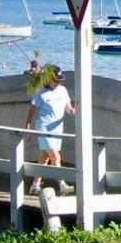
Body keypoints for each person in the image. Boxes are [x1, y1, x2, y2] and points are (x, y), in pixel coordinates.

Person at [24, 65, 76, 195]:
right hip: (44, 128)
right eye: (55, 80)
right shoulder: (41, 93)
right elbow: (32, 111)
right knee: (55, 157)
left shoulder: (63, 90)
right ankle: (62, 185)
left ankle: (35, 185)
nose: (58, 83)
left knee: (44, 158)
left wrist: (73, 110)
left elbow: (69, 108)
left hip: (57, 129)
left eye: (59, 80)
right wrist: (28, 128)